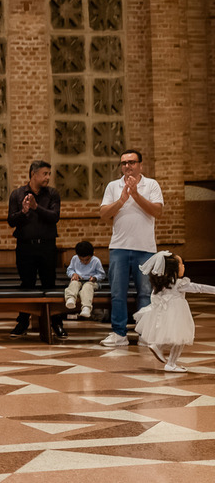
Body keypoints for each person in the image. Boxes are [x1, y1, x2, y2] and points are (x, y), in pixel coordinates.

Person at [99, 149, 164, 347]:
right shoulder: (113, 186)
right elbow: (103, 214)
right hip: (119, 247)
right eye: (124, 163)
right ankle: (119, 334)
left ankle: (145, 333)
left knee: (145, 293)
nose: (127, 166)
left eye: (132, 162)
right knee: (118, 293)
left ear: (140, 165)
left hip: (145, 248)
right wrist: (121, 200)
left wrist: (135, 194)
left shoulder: (151, 185)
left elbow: (158, 211)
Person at [7, 161, 66, 339]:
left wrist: (35, 208)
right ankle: (23, 322)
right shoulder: (17, 194)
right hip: (25, 246)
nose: (48, 177)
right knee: (27, 285)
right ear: (33, 174)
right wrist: (24, 212)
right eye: (44, 173)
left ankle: (56, 323)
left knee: (50, 284)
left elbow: (54, 217)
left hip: (47, 246)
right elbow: (11, 221)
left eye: (49, 174)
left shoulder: (52, 194)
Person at [134, 252, 214, 373]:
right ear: (174, 269)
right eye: (181, 264)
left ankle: (159, 347)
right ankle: (170, 363)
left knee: (174, 337)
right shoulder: (179, 284)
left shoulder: (161, 284)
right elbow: (199, 288)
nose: (184, 266)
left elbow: (154, 297)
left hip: (165, 312)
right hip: (177, 313)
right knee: (180, 338)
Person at [65, 240, 105, 318]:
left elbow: (102, 274)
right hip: (79, 280)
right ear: (78, 256)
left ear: (92, 255)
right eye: (81, 260)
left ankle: (86, 308)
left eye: (87, 260)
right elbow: (69, 270)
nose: (84, 262)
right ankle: (70, 299)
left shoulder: (96, 261)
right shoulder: (74, 259)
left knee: (87, 287)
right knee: (74, 283)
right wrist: (73, 274)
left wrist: (95, 278)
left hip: (91, 282)